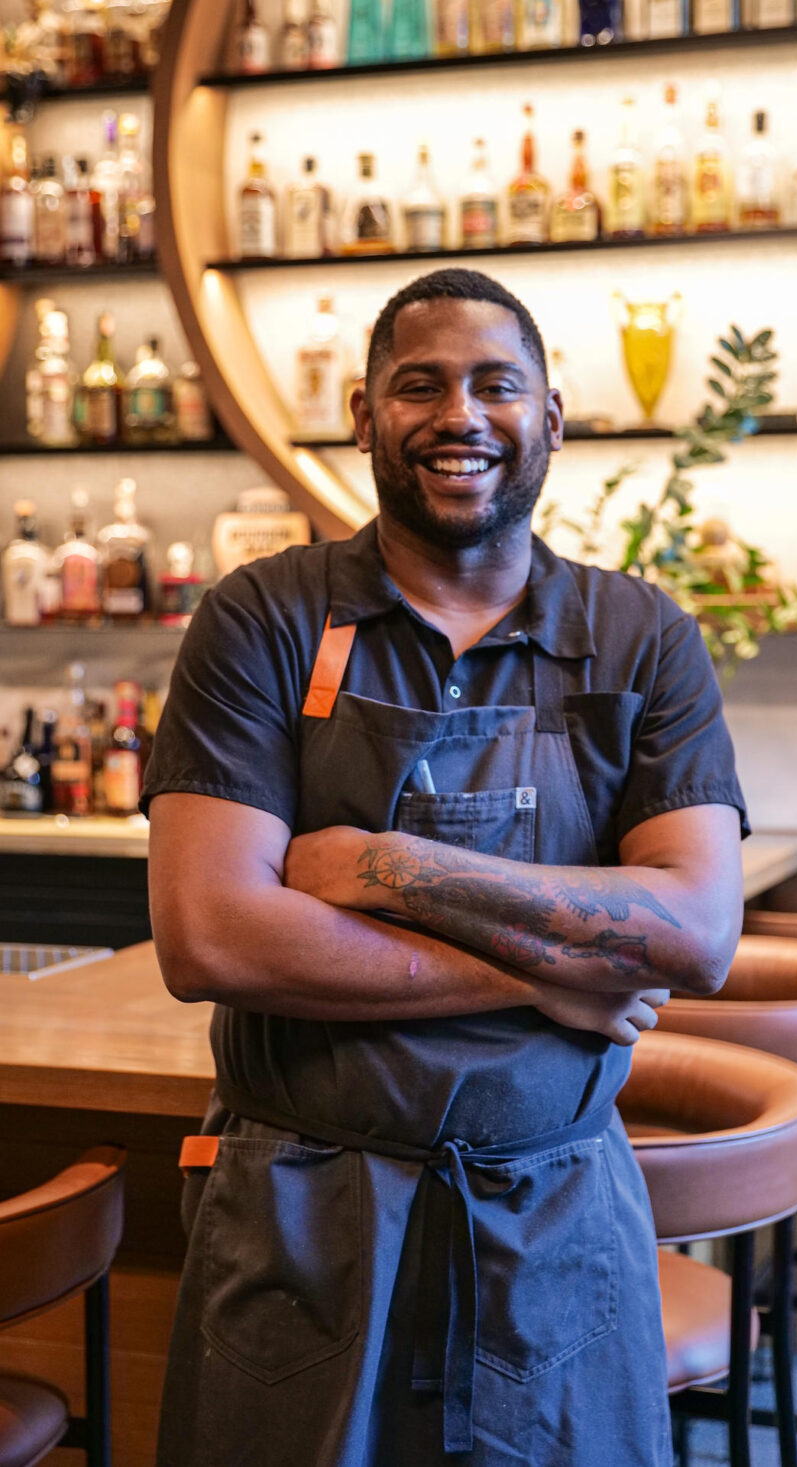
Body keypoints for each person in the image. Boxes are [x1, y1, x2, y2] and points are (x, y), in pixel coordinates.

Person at [143, 267, 748, 1467]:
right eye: (418, 386)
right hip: (299, 1215)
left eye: (495, 385)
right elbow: (209, 937)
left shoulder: (640, 637)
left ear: (551, 420)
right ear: (365, 417)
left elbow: (694, 932)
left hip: (555, 1216)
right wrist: (549, 973)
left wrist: (377, 864)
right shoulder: (261, 619)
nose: (458, 415)